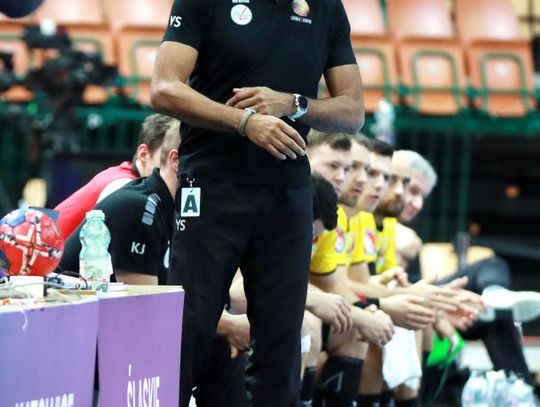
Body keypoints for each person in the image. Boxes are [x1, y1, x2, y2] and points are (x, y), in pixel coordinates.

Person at [151, 0, 365, 405]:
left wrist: (294, 103)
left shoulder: (325, 8)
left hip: (288, 191)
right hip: (212, 184)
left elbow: (353, 112)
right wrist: (244, 122)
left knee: (281, 350)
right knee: (188, 330)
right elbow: (164, 89)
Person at [395, 149, 540, 385]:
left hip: (422, 299)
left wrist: (441, 305)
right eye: (411, 191)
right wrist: (438, 306)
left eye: (422, 195)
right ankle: (493, 295)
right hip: (402, 302)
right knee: (488, 273)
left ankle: (520, 390)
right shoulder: (373, 225)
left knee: (495, 312)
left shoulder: (402, 233)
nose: (417, 204)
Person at [59, 119, 180, 284]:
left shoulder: (152, 196)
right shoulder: (126, 190)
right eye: (163, 153)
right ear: (144, 154)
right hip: (50, 277)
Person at [54, 113, 176, 240]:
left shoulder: (130, 181)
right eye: (166, 157)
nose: (176, 166)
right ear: (143, 154)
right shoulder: (122, 187)